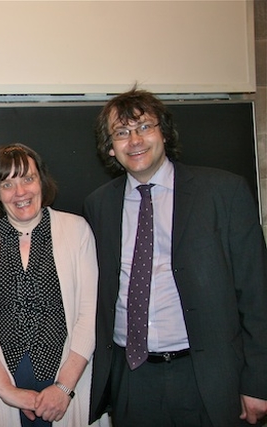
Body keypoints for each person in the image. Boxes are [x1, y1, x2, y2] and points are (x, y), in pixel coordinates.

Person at [84, 87, 267, 426]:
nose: (135, 140)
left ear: (164, 133)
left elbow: (258, 295)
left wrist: (258, 380)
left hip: (206, 377)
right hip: (132, 378)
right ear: (110, 148)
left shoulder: (223, 193)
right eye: (122, 132)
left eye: (144, 127)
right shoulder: (99, 205)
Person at [0, 143, 108, 427]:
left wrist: (63, 388)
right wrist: (7, 391)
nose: (20, 192)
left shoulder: (76, 230)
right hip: (2, 388)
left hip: (66, 387)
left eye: (28, 178)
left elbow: (89, 316)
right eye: (7, 183)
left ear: (42, 180)